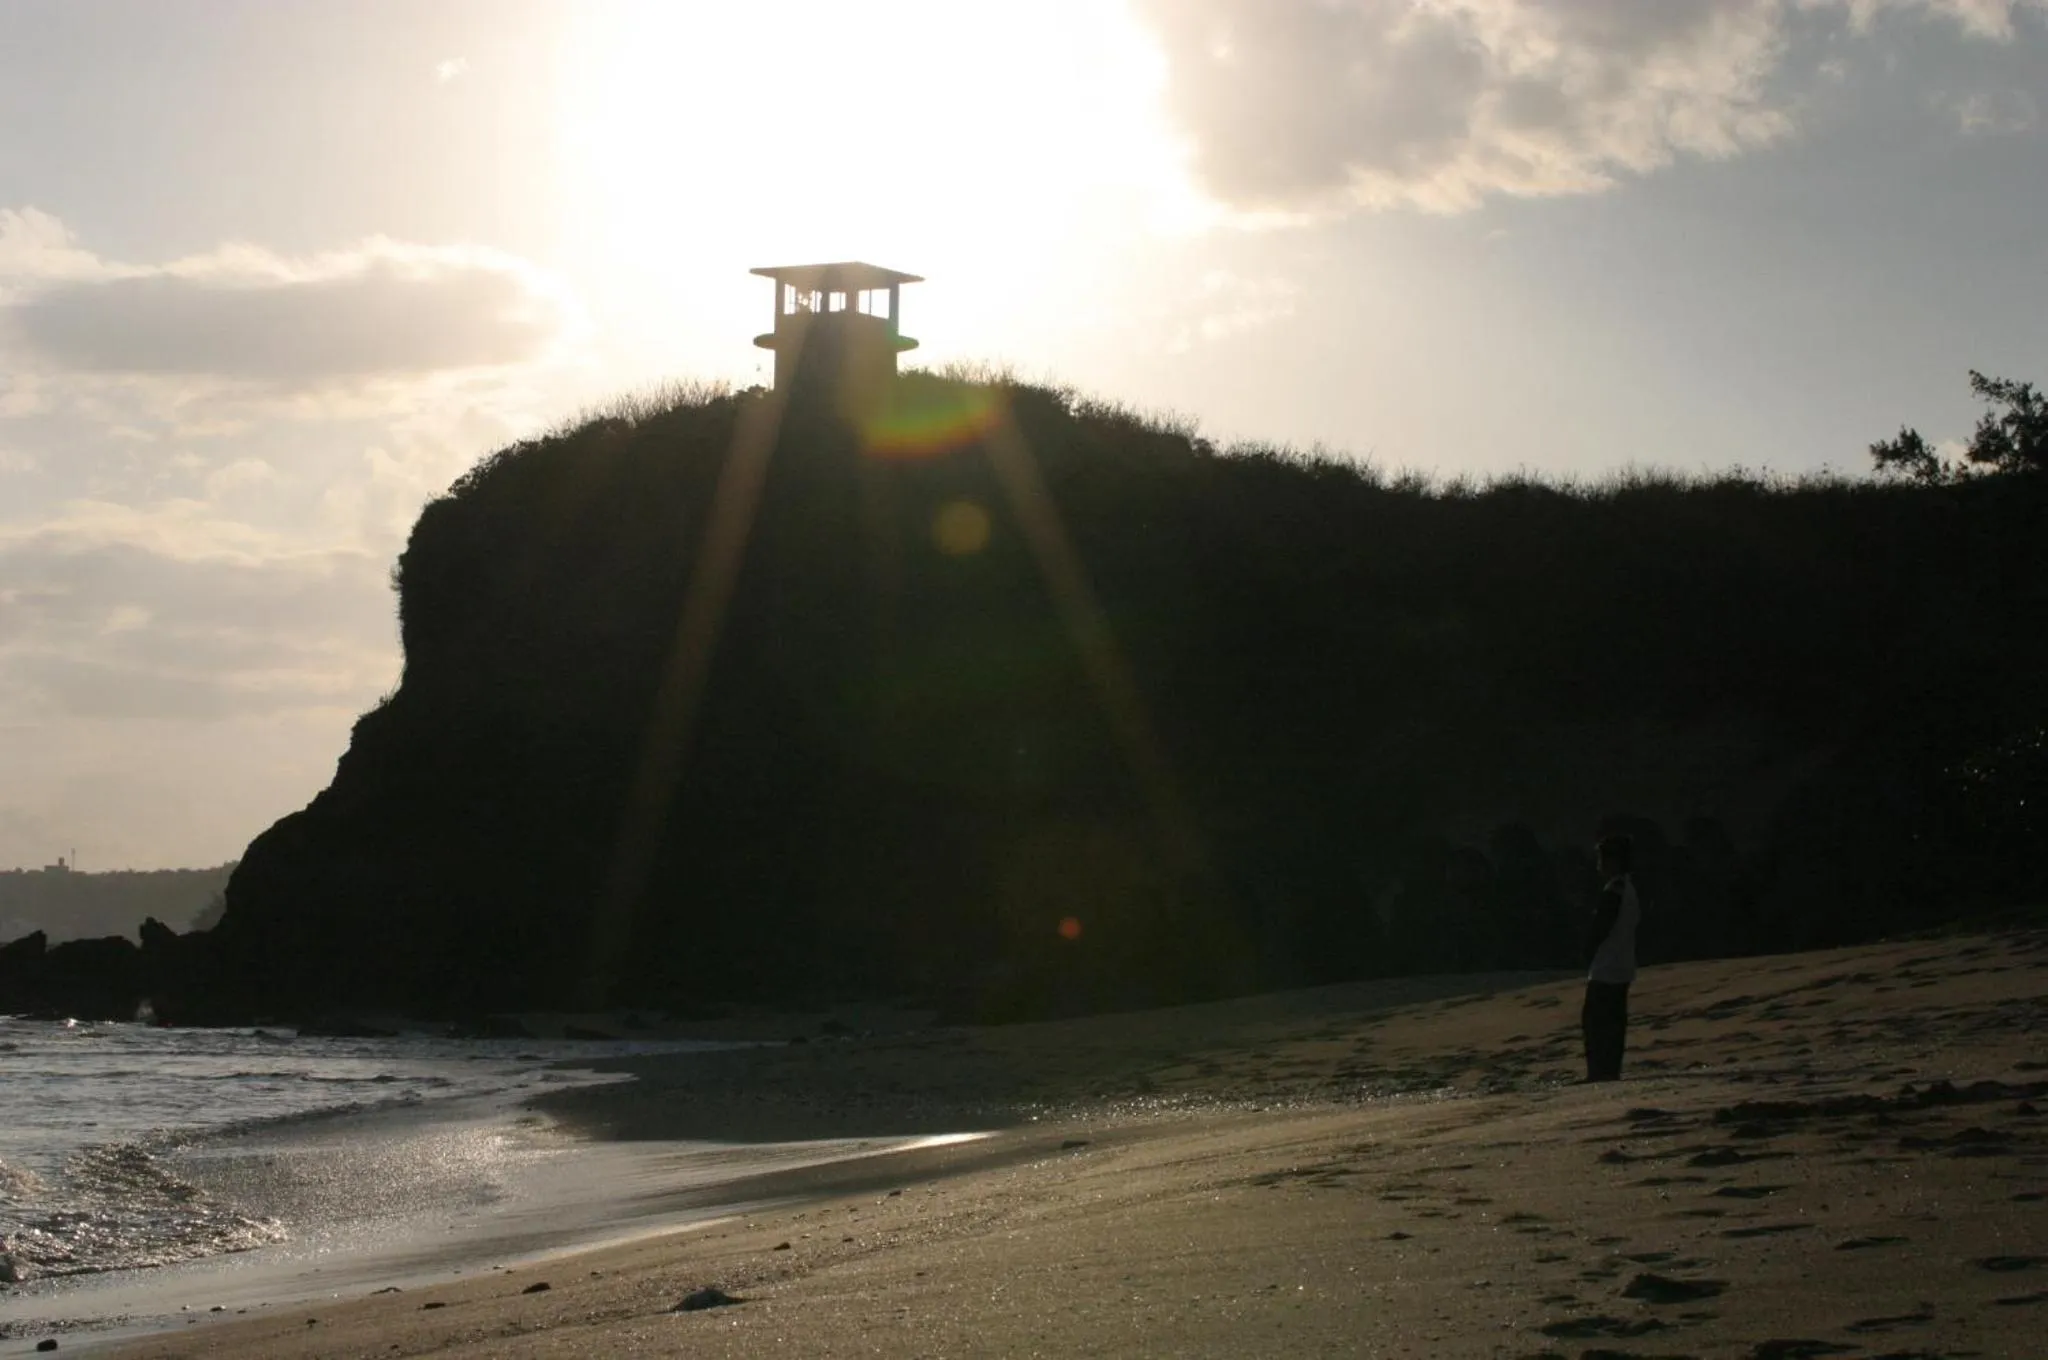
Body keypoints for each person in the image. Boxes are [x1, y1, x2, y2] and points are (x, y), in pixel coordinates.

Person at [1581, 834, 1640, 1082]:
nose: (1599, 866)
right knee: (1613, 1021)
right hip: (1621, 964)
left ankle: (1600, 1071)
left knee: (1596, 1021)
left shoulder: (1615, 890)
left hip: (1607, 966)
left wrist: (1586, 950)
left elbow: (1600, 927)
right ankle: (1609, 1070)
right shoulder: (1628, 888)